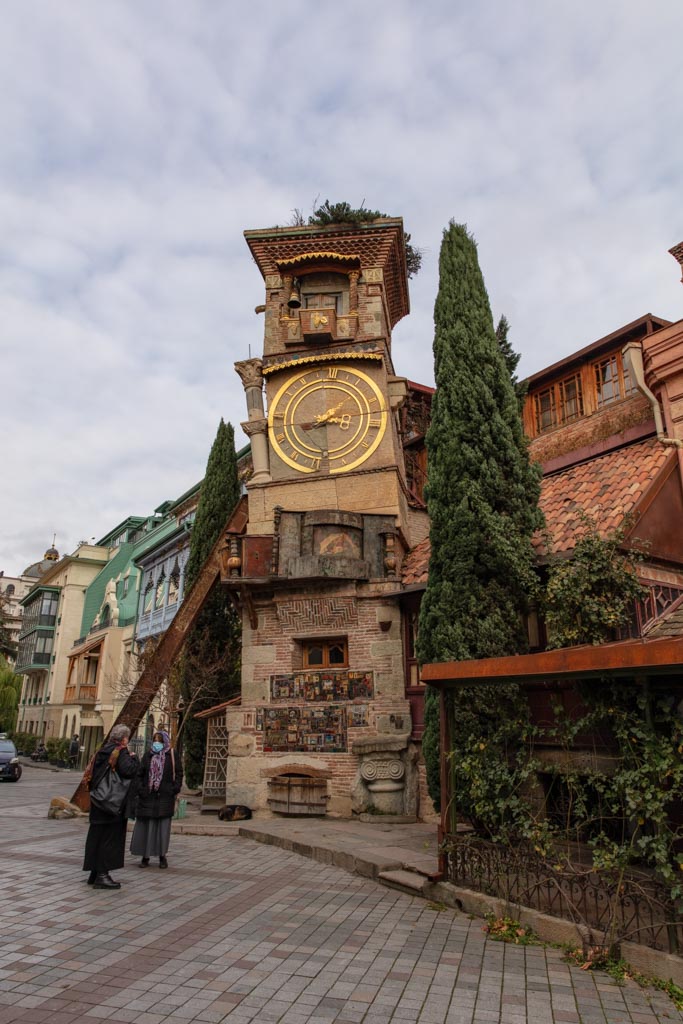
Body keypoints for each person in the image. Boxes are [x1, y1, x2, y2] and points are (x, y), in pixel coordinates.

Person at [82, 724, 138, 890]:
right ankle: (103, 875)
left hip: (98, 800)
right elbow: (129, 770)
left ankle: (94, 872)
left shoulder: (102, 750)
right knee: (110, 838)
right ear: (124, 739)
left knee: (96, 836)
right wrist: (134, 758)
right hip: (112, 803)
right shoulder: (120, 752)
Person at [130, 730, 182, 869]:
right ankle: (145, 856)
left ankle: (162, 856)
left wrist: (174, 789)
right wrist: (142, 790)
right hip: (148, 797)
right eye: (155, 741)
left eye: (159, 741)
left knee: (162, 829)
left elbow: (179, 773)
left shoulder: (171, 755)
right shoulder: (148, 755)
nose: (157, 744)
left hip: (165, 798)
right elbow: (139, 774)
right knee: (147, 828)